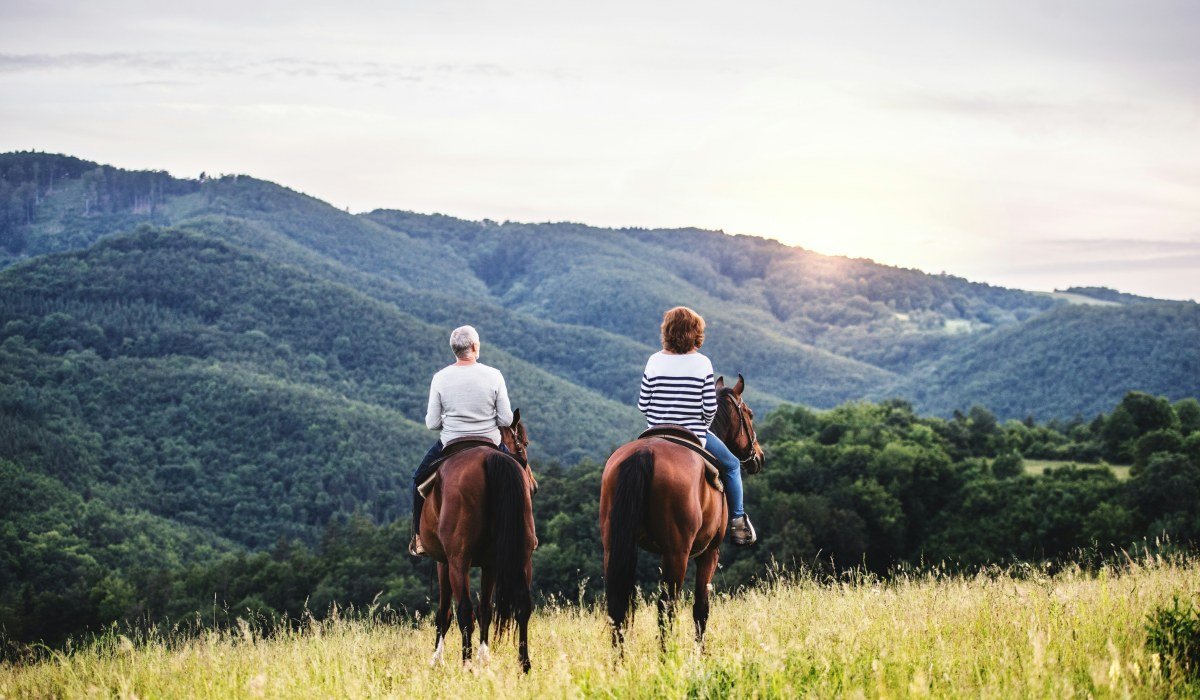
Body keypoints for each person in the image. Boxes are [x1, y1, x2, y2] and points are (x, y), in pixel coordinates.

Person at [638, 306, 757, 545]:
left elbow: (643, 404)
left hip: (654, 433)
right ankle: (738, 523)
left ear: (667, 331)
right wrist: (700, 427)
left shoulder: (654, 360)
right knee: (732, 465)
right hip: (693, 433)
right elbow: (710, 409)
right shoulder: (702, 363)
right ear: (696, 333)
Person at [408, 325, 513, 556]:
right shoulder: (494, 375)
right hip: (490, 442)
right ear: (475, 347)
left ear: (454, 350)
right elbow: (506, 419)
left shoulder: (440, 378)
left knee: (417, 480)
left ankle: (418, 538)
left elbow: (432, 423)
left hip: (451, 444)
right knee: (520, 476)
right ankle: (525, 534)